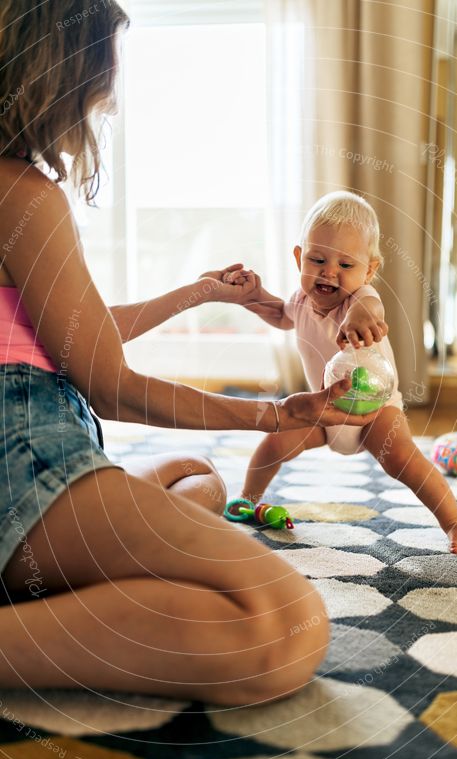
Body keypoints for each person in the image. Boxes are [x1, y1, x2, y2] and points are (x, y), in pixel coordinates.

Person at [0, 2, 379, 706]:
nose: (107, 102)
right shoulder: (21, 192)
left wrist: (199, 292)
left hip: (26, 454)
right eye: (101, 82)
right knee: (284, 624)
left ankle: (45, 585)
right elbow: (110, 385)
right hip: (23, 456)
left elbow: (72, 331)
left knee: (197, 478)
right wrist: (272, 414)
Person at [222, 191, 457, 554]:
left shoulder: (360, 299)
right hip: (321, 410)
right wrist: (249, 295)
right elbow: (278, 314)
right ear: (299, 257)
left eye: (346, 266)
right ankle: (248, 499)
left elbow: (369, 304)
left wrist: (361, 315)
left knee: (402, 460)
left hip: (374, 411)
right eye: (317, 259)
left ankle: (455, 521)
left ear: (369, 270)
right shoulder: (300, 301)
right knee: (274, 441)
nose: (329, 272)